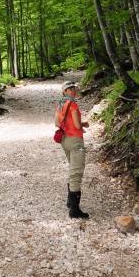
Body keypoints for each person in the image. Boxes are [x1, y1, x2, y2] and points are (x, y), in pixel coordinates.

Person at [56, 81, 89, 219]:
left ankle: (70, 202)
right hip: (75, 140)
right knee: (77, 172)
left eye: (73, 88)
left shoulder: (60, 104)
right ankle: (74, 210)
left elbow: (57, 123)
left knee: (72, 169)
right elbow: (76, 124)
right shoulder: (73, 104)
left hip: (65, 140)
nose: (73, 91)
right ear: (64, 91)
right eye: (69, 89)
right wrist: (82, 125)